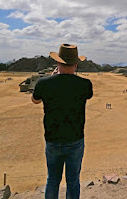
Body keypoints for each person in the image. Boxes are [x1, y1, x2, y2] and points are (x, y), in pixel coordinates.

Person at [31, 44, 93, 199]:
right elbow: (85, 94)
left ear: (57, 63)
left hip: (52, 139)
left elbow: (35, 100)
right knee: (73, 180)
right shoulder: (85, 84)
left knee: (52, 179)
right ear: (76, 64)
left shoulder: (43, 83)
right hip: (75, 139)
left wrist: (53, 77)